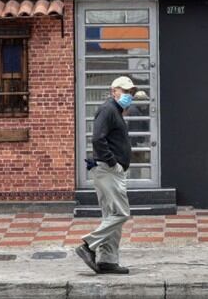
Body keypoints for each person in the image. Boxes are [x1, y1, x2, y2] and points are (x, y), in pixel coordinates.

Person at [75, 76, 136, 275]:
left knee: (112, 216)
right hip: (108, 170)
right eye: (124, 91)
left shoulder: (115, 111)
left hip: (109, 170)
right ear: (113, 91)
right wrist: (113, 162)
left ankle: (108, 260)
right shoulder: (108, 109)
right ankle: (87, 246)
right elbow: (97, 139)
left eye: (130, 92)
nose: (128, 95)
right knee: (121, 214)